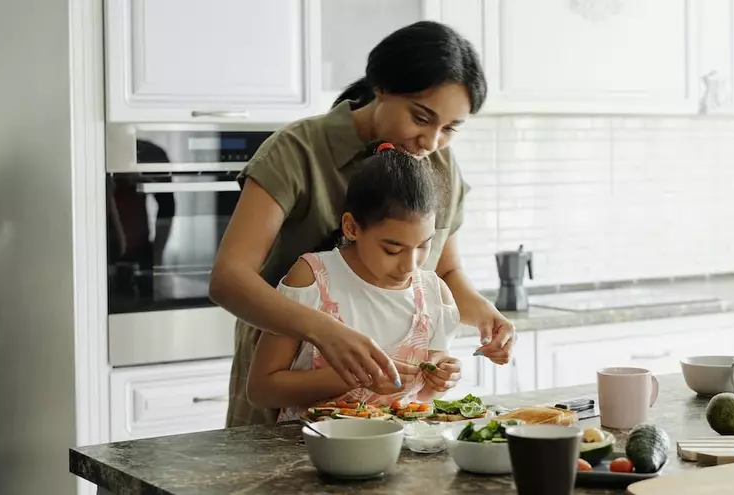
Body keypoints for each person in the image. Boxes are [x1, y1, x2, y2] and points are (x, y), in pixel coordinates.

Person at [210, 20, 516, 427]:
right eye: (421, 117)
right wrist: (325, 332)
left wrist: (485, 316)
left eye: (449, 129)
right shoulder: (297, 150)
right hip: (284, 393)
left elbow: (444, 271)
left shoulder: (439, 164)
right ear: (382, 87)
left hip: (388, 414)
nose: (431, 141)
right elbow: (229, 278)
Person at [246, 143, 463, 421]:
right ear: (351, 227)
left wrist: (442, 379)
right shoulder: (313, 279)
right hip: (310, 451)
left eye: (424, 246)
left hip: (400, 452)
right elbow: (262, 390)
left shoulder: (434, 294)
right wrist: (353, 377)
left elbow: (425, 397)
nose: (410, 265)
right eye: (393, 249)